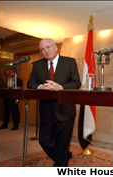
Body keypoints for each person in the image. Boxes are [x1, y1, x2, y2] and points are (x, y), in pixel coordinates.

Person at [27, 38, 81, 167]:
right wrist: (41, 87)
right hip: (46, 109)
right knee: (44, 141)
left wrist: (61, 87)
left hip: (65, 109)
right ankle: (63, 156)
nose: (46, 51)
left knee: (63, 142)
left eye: (48, 47)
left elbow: (76, 83)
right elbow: (30, 83)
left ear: (56, 47)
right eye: (43, 49)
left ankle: (60, 166)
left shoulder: (70, 62)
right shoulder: (37, 64)